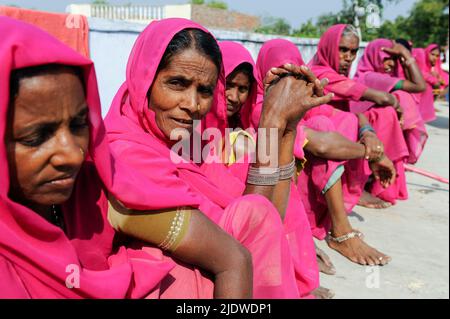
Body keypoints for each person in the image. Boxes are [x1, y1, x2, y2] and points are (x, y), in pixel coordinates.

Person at [104, 18, 333, 299]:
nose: (192, 104)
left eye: (205, 91)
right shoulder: (127, 150)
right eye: (177, 83)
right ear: (145, 80)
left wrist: (287, 127)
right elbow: (241, 239)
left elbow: (268, 218)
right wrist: (271, 124)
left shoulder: (190, 144)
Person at [0, 16, 178, 298]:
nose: (72, 155)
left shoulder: (92, 191)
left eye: (79, 125)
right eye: (36, 137)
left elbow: (227, 251)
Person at [252, 39, 394, 268]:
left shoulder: (300, 94)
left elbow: (352, 116)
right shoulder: (260, 106)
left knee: (329, 120)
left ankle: (333, 225)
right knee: (321, 128)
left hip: (292, 186)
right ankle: (340, 232)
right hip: (268, 191)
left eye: (294, 78)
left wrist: (367, 132)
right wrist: (374, 154)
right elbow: (322, 145)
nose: (287, 87)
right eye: (279, 78)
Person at [218, 41, 336, 298]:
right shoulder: (195, 134)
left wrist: (289, 125)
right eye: (227, 85)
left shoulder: (246, 127)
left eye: (242, 89)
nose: (233, 96)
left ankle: (288, 269)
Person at [309, 24, 415, 205]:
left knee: (374, 117)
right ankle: (351, 188)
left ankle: (367, 180)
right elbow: (379, 97)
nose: (348, 58)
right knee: (351, 121)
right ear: (328, 47)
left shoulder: (339, 74)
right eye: (342, 50)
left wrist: (368, 131)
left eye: (353, 52)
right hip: (315, 136)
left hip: (333, 130)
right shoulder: (321, 73)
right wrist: (394, 103)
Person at [352, 38, 428, 165]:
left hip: (376, 138)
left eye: (394, 59)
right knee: (402, 95)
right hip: (373, 137)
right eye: (385, 59)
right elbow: (419, 86)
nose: (391, 64)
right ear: (374, 56)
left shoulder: (370, 76)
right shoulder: (372, 77)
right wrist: (406, 54)